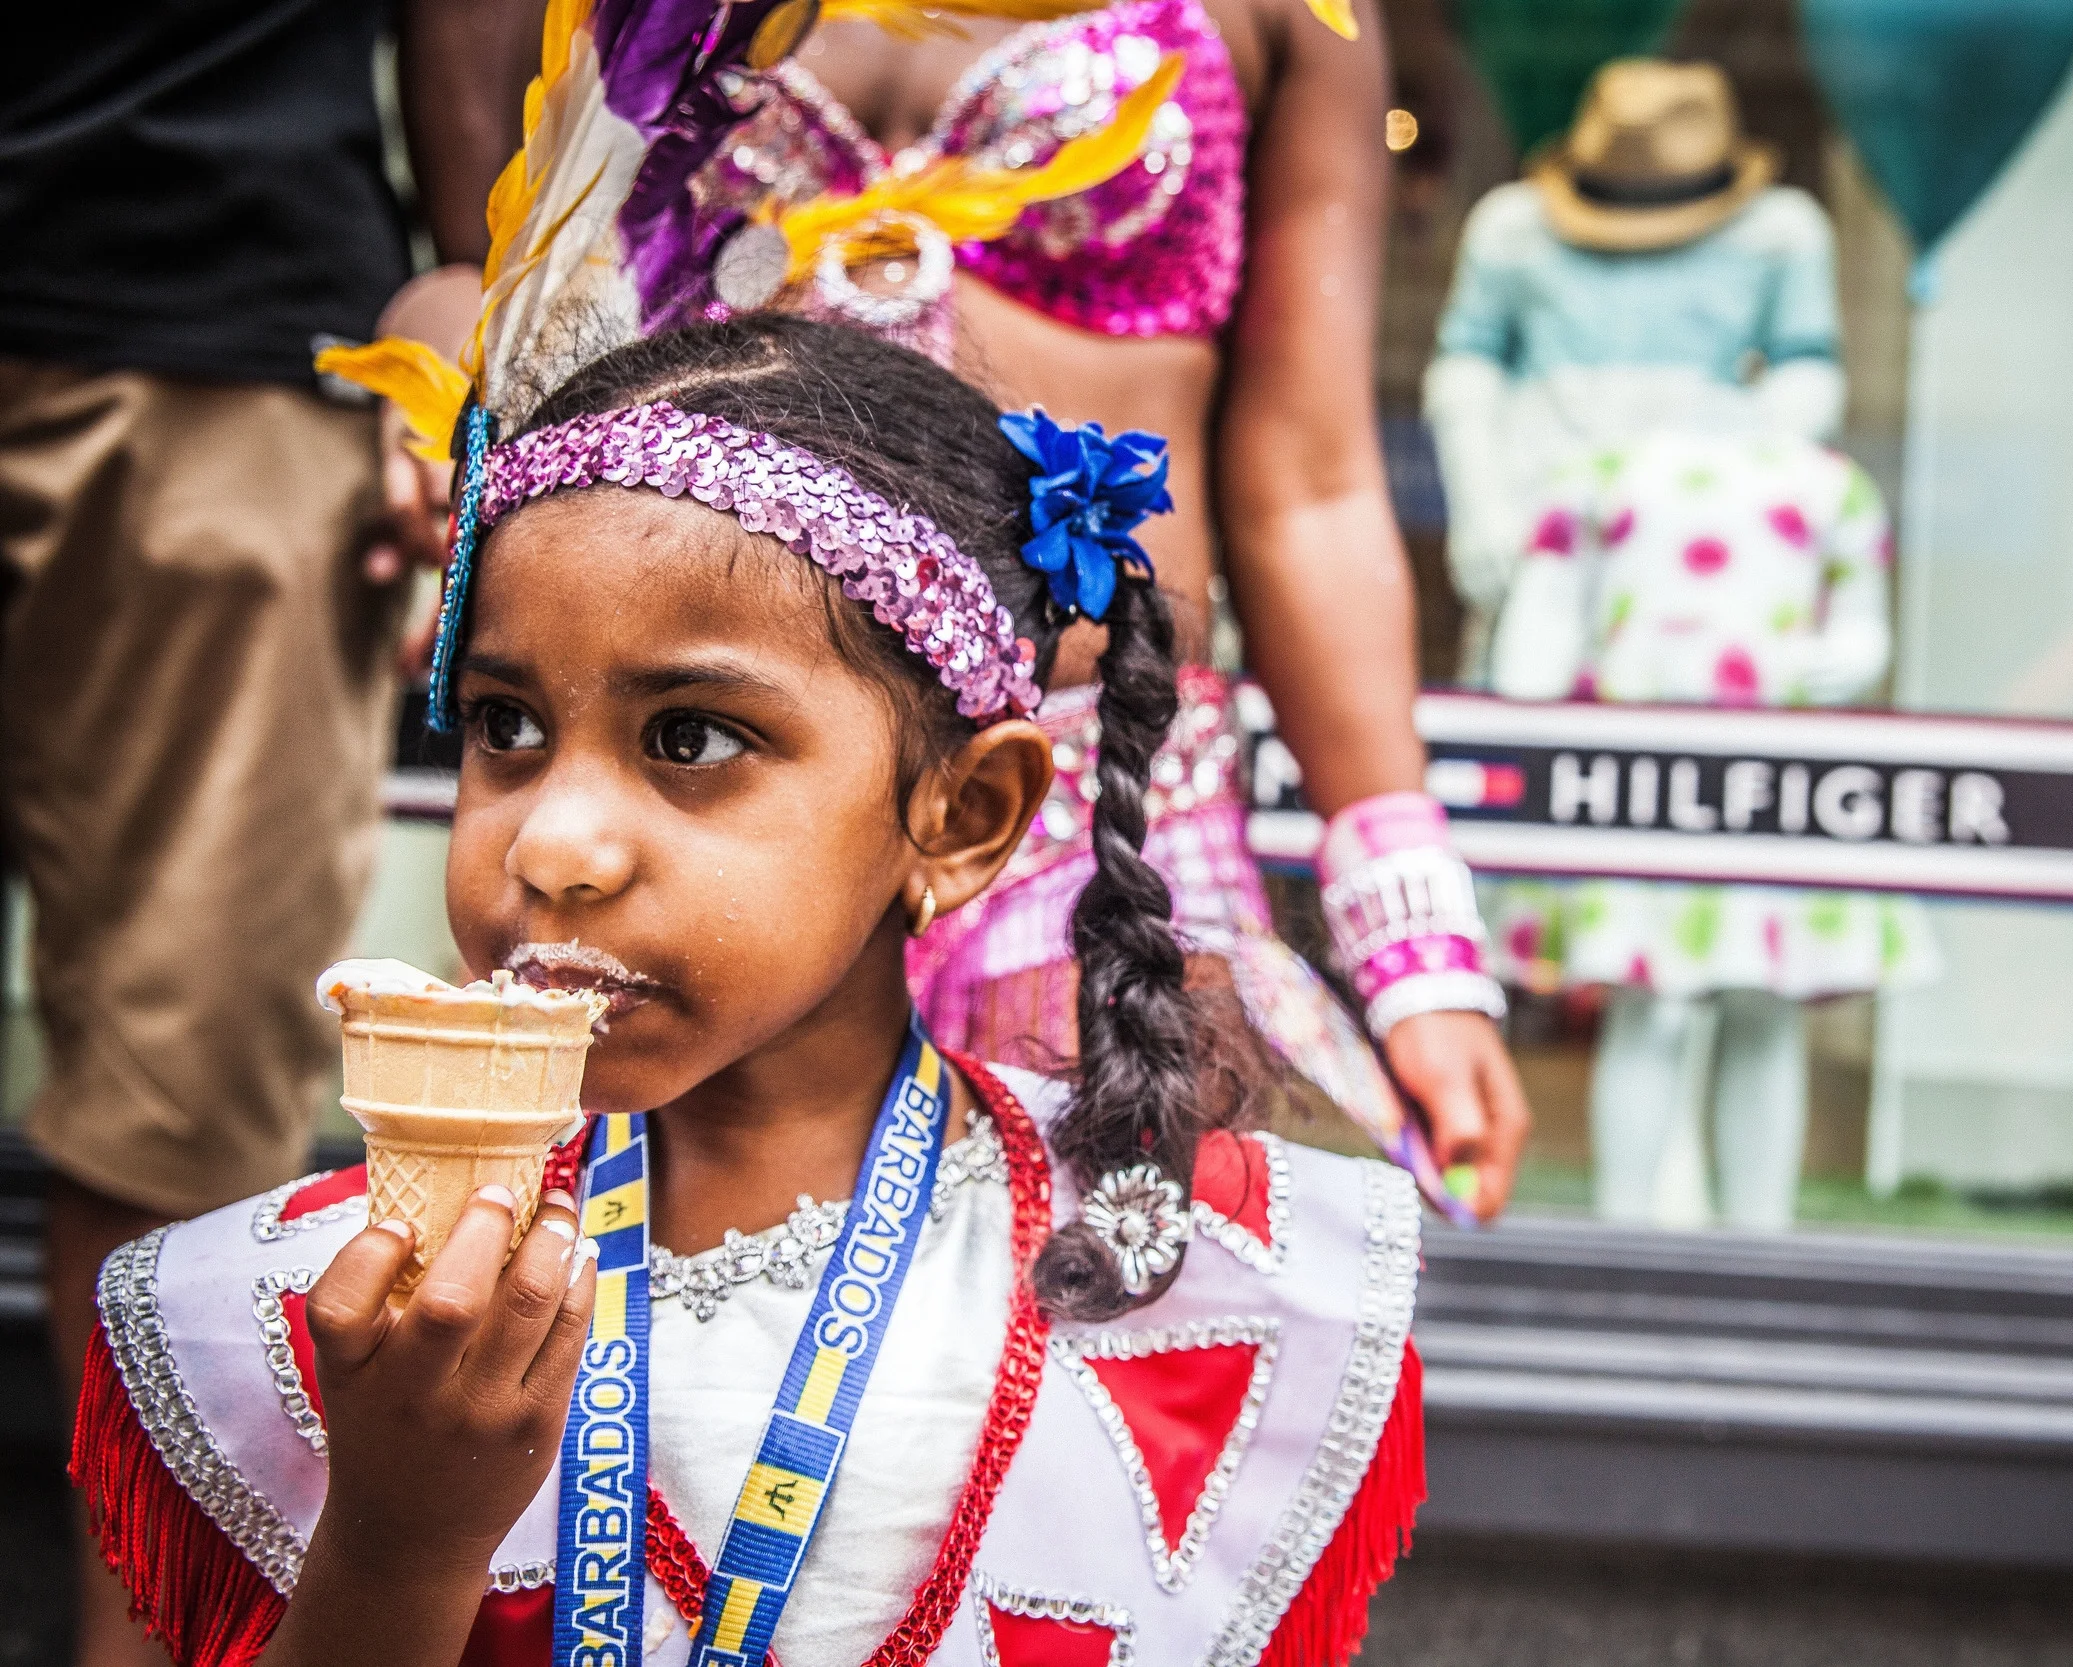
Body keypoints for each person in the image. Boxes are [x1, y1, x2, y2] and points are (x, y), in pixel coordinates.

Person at [73, 307, 1427, 1667]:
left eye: (691, 737)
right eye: (507, 727)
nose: (550, 843)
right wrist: (399, 1541)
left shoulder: (1192, 1286)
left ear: (964, 813)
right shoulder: (328, 1301)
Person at [664, 0, 1536, 1215]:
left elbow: (1313, 486)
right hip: (705, 787)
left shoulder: (1287, 13)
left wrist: (1416, 952)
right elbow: (517, 311)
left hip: (1101, 829)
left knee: (1105, 1341)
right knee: (649, 1332)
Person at [0, 4, 525, 1659]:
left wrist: (468, 307)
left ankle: (135, 1640)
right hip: (208, 304)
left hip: (208, 304)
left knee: (182, 1085)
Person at [1425, 60, 1935, 1229]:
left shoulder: (1779, 253)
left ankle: (1744, 1231)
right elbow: (1465, 365)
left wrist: (1722, 472)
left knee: (1748, 984)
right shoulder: (1512, 232)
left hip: (1725, 621)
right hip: (1571, 562)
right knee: (1610, 933)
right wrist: (1491, 510)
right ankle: (1587, 1193)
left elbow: (1811, 375)